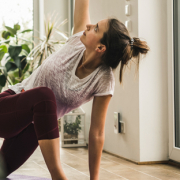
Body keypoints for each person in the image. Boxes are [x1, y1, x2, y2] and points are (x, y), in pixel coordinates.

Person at [0, 0, 149, 180]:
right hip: (8, 107)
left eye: (96, 28)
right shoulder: (77, 41)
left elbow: (97, 133)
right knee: (44, 96)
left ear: (101, 48)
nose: (89, 25)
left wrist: (94, 179)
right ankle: (58, 177)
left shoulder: (103, 80)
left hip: (32, 131)